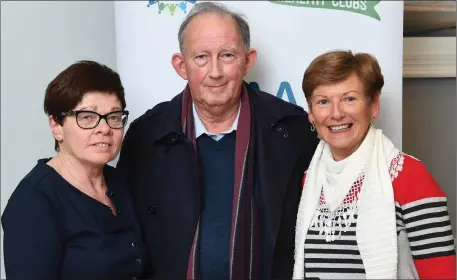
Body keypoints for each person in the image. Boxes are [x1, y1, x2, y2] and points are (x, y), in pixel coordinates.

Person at [116, 2, 319, 280]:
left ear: (247, 61)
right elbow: (125, 240)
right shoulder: (146, 137)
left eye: (227, 55)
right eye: (201, 57)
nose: (215, 72)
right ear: (181, 65)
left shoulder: (293, 132)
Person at [293, 50, 456, 279]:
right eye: (323, 102)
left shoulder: (409, 176)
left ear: (374, 105)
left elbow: (442, 274)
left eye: (349, 99)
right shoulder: (310, 180)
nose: (336, 113)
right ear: (311, 113)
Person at [1, 61, 148, 280]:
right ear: (56, 126)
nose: (105, 128)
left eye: (114, 116)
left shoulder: (120, 181)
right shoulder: (34, 201)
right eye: (87, 117)